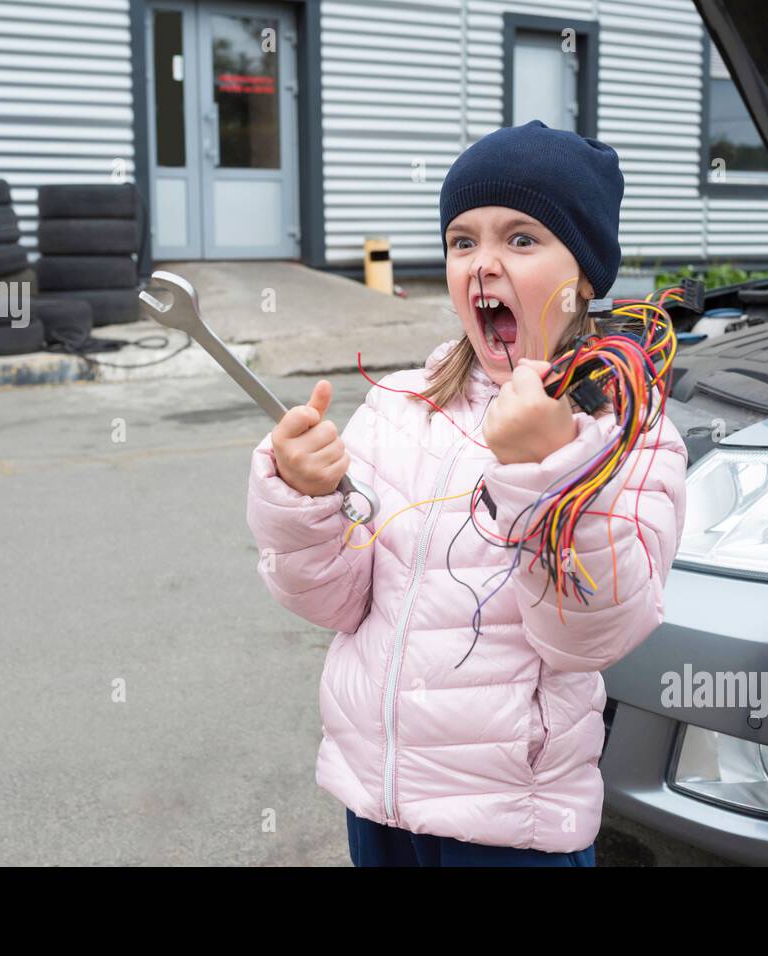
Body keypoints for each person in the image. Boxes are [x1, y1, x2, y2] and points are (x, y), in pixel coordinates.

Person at [246, 119, 688, 866]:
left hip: (510, 825)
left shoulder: (629, 432)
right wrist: (305, 498)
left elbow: (590, 637)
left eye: (520, 239)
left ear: (582, 274)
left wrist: (548, 474)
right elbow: (335, 603)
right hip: (377, 796)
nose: (483, 263)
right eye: (462, 240)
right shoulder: (399, 405)